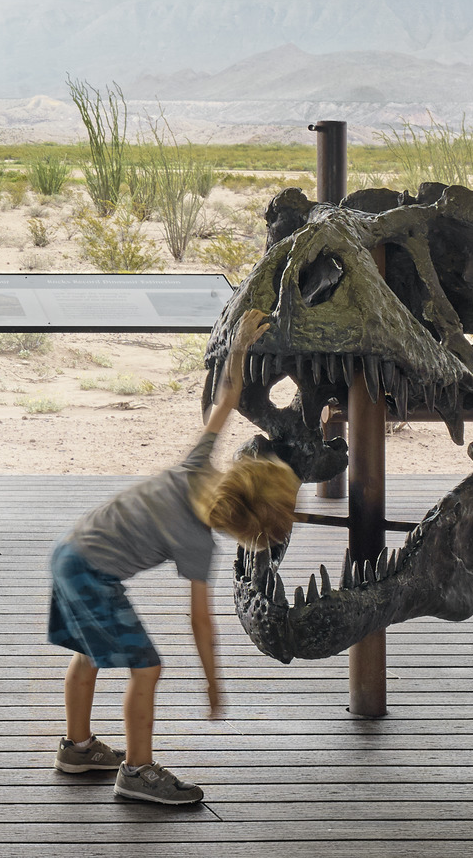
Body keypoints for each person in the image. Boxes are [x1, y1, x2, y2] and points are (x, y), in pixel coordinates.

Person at [46, 311, 296, 809]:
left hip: (70, 552)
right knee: (147, 668)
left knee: (88, 649)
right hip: (94, 573)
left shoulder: (197, 467)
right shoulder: (198, 540)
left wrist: (239, 348)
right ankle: (136, 772)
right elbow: (200, 622)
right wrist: (212, 680)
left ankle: (77, 749)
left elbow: (225, 399)